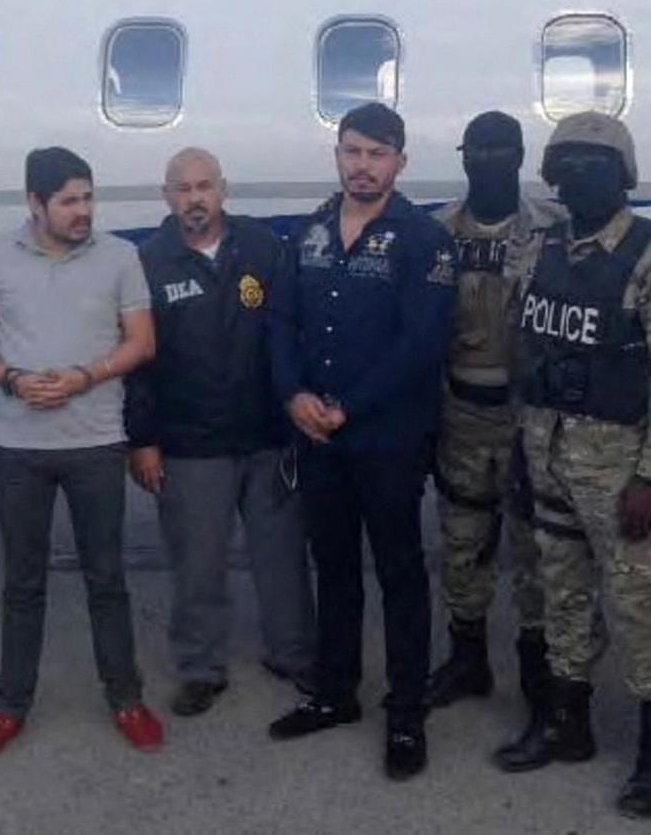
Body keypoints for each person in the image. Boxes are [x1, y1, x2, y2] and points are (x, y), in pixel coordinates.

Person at [494, 111, 651, 820]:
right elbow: (526, 353)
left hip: (622, 467)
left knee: (645, 612)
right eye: (565, 164)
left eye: (593, 165)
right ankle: (566, 723)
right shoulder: (539, 250)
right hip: (547, 454)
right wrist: (520, 446)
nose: (576, 177)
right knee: (560, 595)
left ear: (624, 175)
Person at [0, 146, 163, 760]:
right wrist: (12, 379)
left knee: (107, 578)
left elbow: (142, 342)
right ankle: (10, 704)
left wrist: (85, 376)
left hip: (95, 442)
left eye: (88, 198)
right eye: (69, 201)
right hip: (18, 446)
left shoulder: (121, 256)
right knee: (22, 583)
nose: (83, 211)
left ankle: (125, 697)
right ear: (34, 203)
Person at [266, 102, 457, 780]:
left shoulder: (423, 239)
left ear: (400, 162)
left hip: (387, 439)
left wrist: (347, 407)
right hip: (317, 437)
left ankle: (405, 712)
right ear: (338, 155)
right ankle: (334, 693)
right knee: (336, 569)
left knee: (401, 574)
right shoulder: (310, 232)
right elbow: (281, 322)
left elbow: (421, 344)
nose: (363, 166)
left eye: (377, 154)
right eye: (352, 152)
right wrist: (293, 396)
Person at [125, 148, 315, 717]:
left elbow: (289, 335)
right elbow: (137, 365)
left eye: (204, 186)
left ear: (223, 190)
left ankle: (294, 653)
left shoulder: (261, 248)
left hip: (266, 438)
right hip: (191, 446)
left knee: (282, 557)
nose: (195, 198)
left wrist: (296, 411)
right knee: (197, 563)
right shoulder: (149, 263)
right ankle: (200, 666)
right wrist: (143, 439)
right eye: (182, 189)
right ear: (166, 197)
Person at [427, 112, 560, 709]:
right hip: (462, 412)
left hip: (531, 415)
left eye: (501, 151)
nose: (488, 161)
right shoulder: (437, 233)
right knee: (462, 541)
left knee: (537, 547)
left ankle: (540, 672)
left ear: (520, 156)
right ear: (463, 158)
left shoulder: (554, 230)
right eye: (477, 150)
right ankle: (468, 659)